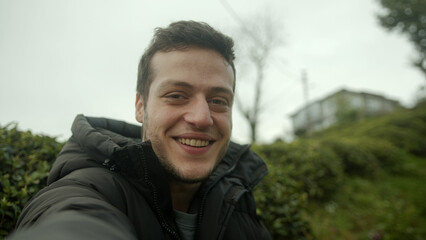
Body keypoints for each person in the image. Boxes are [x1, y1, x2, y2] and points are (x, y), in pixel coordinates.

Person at [9, 20, 272, 240]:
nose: (202, 118)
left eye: (218, 101)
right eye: (177, 95)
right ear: (140, 106)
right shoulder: (89, 191)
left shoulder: (236, 200)